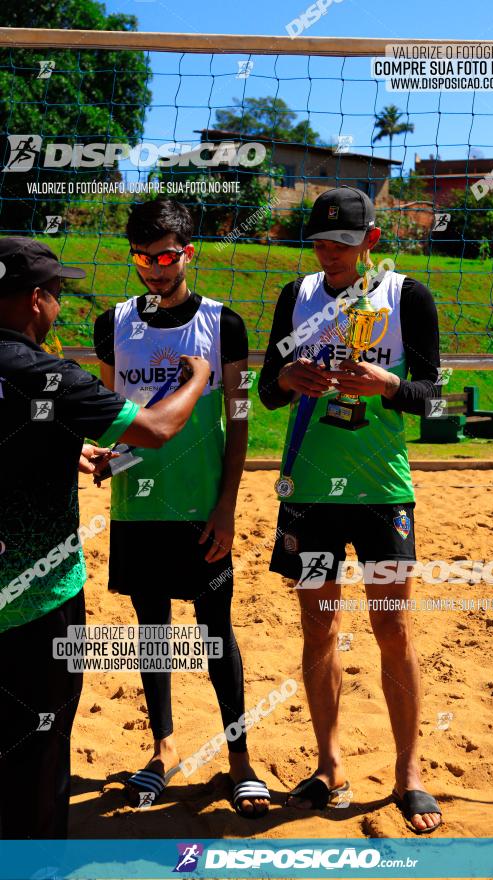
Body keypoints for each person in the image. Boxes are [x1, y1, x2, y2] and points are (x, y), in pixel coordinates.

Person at [0, 236, 210, 839]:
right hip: (36, 603)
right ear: (36, 300)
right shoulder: (47, 373)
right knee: (39, 754)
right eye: (56, 295)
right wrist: (194, 378)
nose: (58, 307)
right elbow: (156, 427)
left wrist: (66, 449)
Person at [259, 186, 443, 834]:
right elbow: (266, 390)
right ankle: (329, 764)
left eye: (341, 242)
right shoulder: (297, 296)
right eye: (319, 242)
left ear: (370, 242)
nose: (327, 252)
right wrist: (287, 379)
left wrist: (387, 384)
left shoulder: (404, 297)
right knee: (318, 630)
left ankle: (407, 774)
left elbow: (432, 397)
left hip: (381, 492)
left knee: (393, 632)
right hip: (309, 492)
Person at [93, 199, 270, 818]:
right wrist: (104, 455)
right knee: (152, 631)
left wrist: (228, 505)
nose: (155, 269)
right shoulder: (110, 323)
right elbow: (115, 419)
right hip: (137, 506)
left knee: (216, 628)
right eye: (144, 257)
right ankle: (161, 750)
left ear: (188, 252)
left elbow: (240, 417)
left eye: (167, 256)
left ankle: (240, 759)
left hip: (201, 505)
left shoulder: (226, 324)